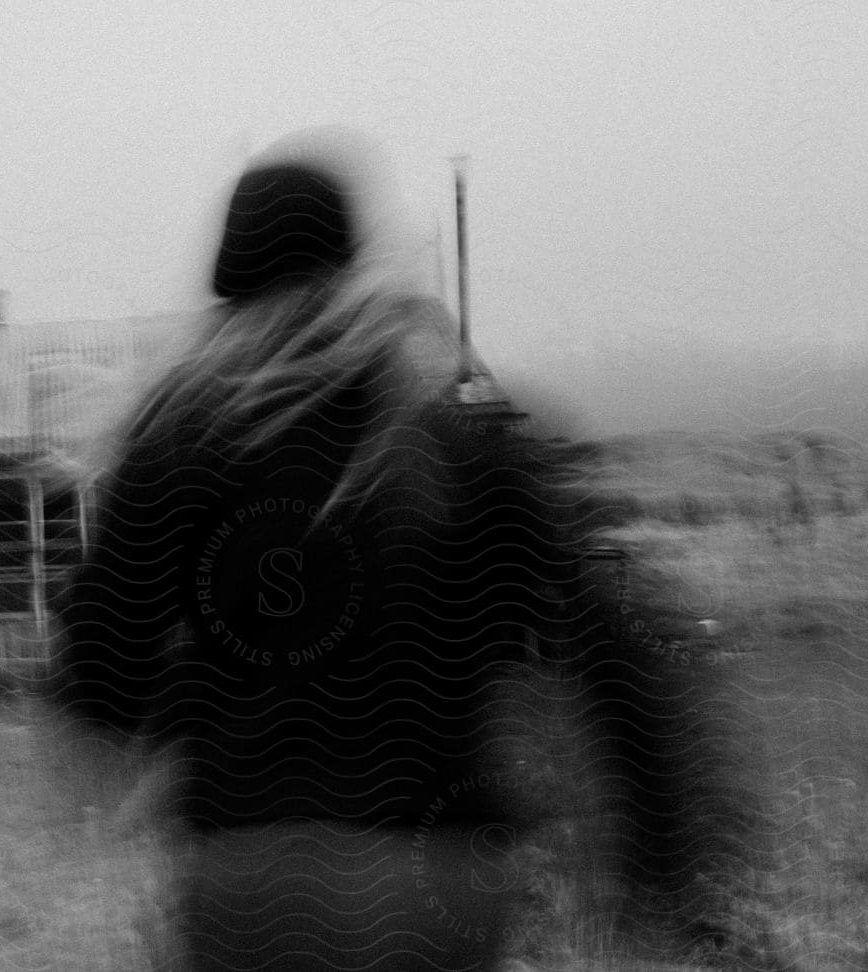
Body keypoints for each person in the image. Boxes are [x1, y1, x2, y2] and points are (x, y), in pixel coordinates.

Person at [49, 128, 772, 970]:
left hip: (254, 881)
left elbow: (101, 672)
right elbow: (614, 646)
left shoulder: (178, 445)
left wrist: (175, 718)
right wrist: (659, 868)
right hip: (438, 883)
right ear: (354, 278)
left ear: (227, 297)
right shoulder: (465, 448)